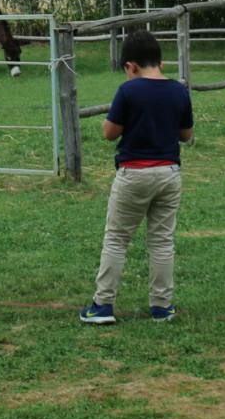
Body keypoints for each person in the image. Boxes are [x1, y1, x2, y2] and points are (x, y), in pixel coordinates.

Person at [79, 28, 194, 325]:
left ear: (130, 66)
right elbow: (186, 134)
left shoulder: (128, 91)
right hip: (169, 173)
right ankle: (162, 306)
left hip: (134, 173)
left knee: (117, 238)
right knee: (162, 241)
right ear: (160, 62)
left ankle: (103, 304)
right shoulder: (179, 90)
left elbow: (109, 133)